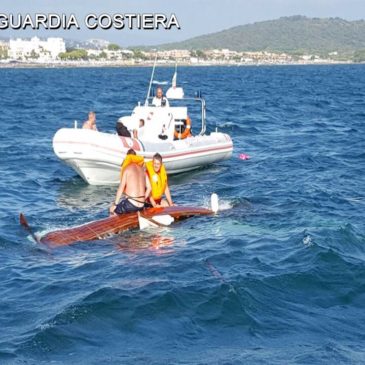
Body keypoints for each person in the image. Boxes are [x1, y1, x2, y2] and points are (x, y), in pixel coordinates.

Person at [110, 149, 151, 215]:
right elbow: (149, 188)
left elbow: (121, 188)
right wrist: (143, 198)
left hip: (130, 205)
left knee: (112, 210)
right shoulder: (143, 170)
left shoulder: (127, 169)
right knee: (126, 204)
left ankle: (112, 221)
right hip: (141, 205)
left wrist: (115, 204)